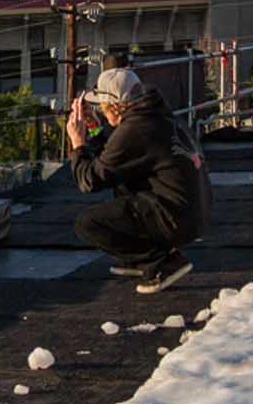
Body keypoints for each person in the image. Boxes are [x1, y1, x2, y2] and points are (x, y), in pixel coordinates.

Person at [65, 64, 210, 293]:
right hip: (191, 213)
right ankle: (144, 258)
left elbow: (90, 181)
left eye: (102, 107)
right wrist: (94, 132)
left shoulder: (136, 128)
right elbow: (117, 163)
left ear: (113, 106)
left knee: (88, 223)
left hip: (175, 219)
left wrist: (78, 144)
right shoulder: (157, 116)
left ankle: (161, 262)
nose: (101, 111)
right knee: (122, 183)